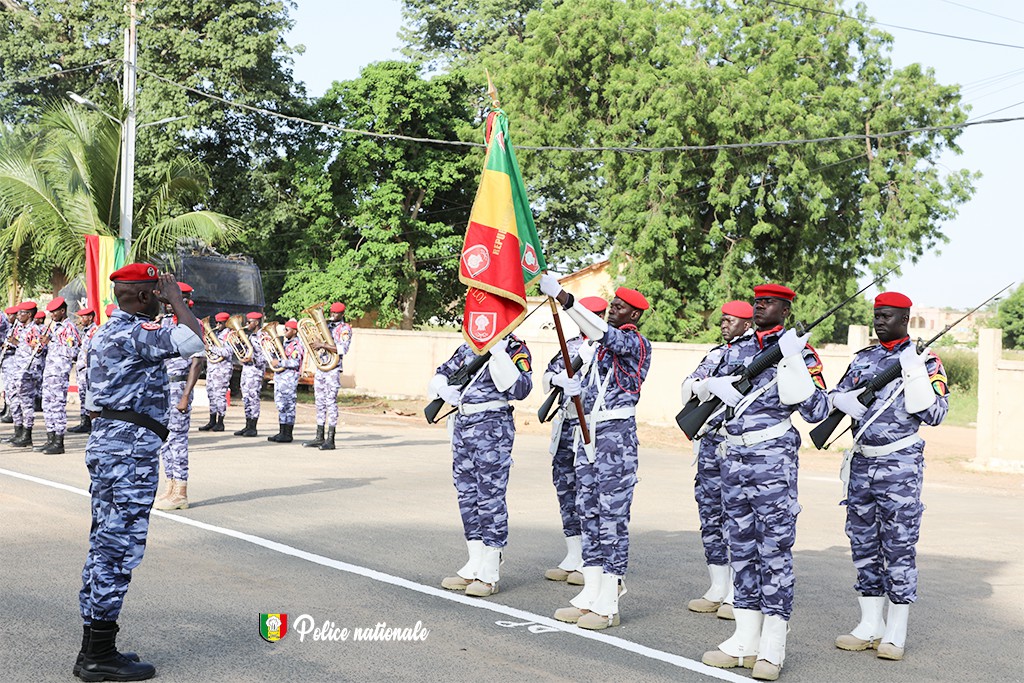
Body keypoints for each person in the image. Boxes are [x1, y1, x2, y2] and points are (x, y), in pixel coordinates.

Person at [77, 264, 203, 681]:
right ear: (146, 297)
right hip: (128, 451)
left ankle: (94, 648)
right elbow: (192, 341)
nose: (164, 299)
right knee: (118, 549)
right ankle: (98, 657)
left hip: (114, 444)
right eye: (158, 292)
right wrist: (179, 301)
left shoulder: (110, 331)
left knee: (105, 545)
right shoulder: (134, 332)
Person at [697, 283, 828, 681]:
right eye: (757, 302)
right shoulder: (736, 350)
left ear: (785, 312)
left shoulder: (800, 351)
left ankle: (772, 646)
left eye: (768, 303)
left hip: (772, 463)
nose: (759, 307)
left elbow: (818, 410)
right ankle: (744, 639)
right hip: (732, 460)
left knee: (773, 553)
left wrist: (793, 362)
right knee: (741, 550)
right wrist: (710, 386)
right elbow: (707, 395)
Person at [829, 292, 949, 661]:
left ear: (905, 319)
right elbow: (836, 395)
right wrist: (840, 400)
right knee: (863, 544)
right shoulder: (863, 359)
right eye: (877, 315)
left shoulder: (926, 361)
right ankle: (870, 624)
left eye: (887, 316)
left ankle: (895, 631)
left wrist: (913, 371)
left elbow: (935, 414)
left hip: (899, 466)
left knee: (898, 546)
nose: (880, 321)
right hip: (862, 463)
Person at [539, 276, 653, 631]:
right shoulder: (597, 348)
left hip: (615, 438)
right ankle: (591, 592)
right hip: (586, 434)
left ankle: (609, 602)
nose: (613, 309)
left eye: (620, 307)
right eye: (612, 305)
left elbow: (604, 333)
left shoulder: (634, 342)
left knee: (611, 519)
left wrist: (564, 297)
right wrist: (567, 382)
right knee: (588, 513)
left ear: (634, 314)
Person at [431, 333, 533, 598]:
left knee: (490, 498)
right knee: (467, 496)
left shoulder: (514, 348)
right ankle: (474, 561)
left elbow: (521, 389)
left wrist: (499, 354)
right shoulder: (470, 345)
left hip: (492, 428)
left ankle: (490, 568)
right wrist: (442, 388)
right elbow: (443, 372)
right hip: (462, 426)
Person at [682, 300, 754, 620]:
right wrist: (708, 384)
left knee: (738, 519)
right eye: (723, 320)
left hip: (738, 446)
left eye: (731, 320)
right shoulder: (715, 354)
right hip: (710, 443)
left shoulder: (759, 353)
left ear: (747, 324)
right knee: (710, 515)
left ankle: (740, 591)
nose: (724, 324)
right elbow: (688, 386)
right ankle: (718, 587)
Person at [541, 295, 607, 586]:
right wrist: (558, 380)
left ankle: (592, 559)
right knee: (565, 487)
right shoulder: (570, 345)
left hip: (591, 427)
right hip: (566, 424)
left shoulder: (607, 346)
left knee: (589, 493)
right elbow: (547, 376)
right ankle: (574, 553)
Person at [154, 283, 204, 511]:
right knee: (165, 439)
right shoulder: (163, 323)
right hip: (163, 387)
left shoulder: (193, 324)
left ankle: (181, 491)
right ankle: (170, 487)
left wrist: (186, 395)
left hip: (179, 386)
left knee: (178, 440)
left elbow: (197, 362)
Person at [35, 297, 81, 454]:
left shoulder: (69, 328)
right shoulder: (55, 328)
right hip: (49, 373)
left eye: (54, 312)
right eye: (50, 312)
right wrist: (42, 347)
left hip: (59, 374)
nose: (51, 315)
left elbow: (73, 352)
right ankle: (50, 439)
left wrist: (51, 342)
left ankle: (59, 442)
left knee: (57, 407)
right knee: (47, 406)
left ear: (62, 311)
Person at [303, 302, 352, 451]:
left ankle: (331, 439)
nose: (333, 315)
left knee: (330, 403)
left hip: (333, 369)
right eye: (331, 312)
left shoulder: (345, 329)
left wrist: (322, 345)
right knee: (319, 402)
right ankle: (319, 436)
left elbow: (343, 349)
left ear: (342, 314)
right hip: (321, 367)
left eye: (336, 313)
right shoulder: (327, 326)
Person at [9, 301, 41, 447]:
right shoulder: (19, 328)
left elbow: (37, 350)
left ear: (29, 314)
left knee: (26, 403)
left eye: (21, 313)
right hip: (17, 370)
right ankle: (18, 432)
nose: (18, 315)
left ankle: (27, 434)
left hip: (27, 371)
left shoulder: (34, 330)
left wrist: (18, 343)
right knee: (14, 400)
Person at [268, 319, 305, 443]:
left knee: (288, 406)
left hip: (289, 380)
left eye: (287, 329)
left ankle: (288, 434)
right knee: (281, 406)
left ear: (294, 331)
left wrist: (279, 362)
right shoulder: (285, 344)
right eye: (284, 329)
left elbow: (295, 362)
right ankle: (282, 432)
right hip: (280, 379)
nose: (284, 331)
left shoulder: (296, 345)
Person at [198, 312, 232, 432]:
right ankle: (212, 421)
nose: (217, 325)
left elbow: (227, 352)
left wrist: (211, 348)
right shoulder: (216, 334)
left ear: (226, 323)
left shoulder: (230, 335)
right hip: (212, 368)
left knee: (220, 396)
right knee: (211, 395)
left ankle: (220, 422)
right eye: (216, 323)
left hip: (222, 369)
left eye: (220, 323)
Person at [234, 311, 266, 437]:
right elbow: (244, 351)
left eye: (249, 322)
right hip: (247, 371)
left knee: (253, 398)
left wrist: (252, 359)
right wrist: (238, 344)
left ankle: (253, 427)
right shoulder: (251, 336)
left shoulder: (263, 337)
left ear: (256, 322)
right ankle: (247, 425)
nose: (247, 324)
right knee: (246, 398)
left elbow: (267, 356)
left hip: (255, 371)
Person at [68, 307, 98, 434]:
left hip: (88, 370)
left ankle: (91, 423)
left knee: (89, 396)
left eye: (83, 317)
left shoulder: (94, 331)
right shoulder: (86, 331)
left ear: (90, 318)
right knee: (83, 395)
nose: (80, 320)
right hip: (81, 370)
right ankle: (84, 422)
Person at [0, 304, 24, 428]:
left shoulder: (20, 328)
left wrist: (12, 344)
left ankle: (11, 413)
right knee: (7, 386)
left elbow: (22, 343)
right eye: (8, 315)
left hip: (13, 360)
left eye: (12, 315)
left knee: (11, 387)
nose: (9, 317)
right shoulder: (12, 327)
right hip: (6, 359)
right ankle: (7, 409)